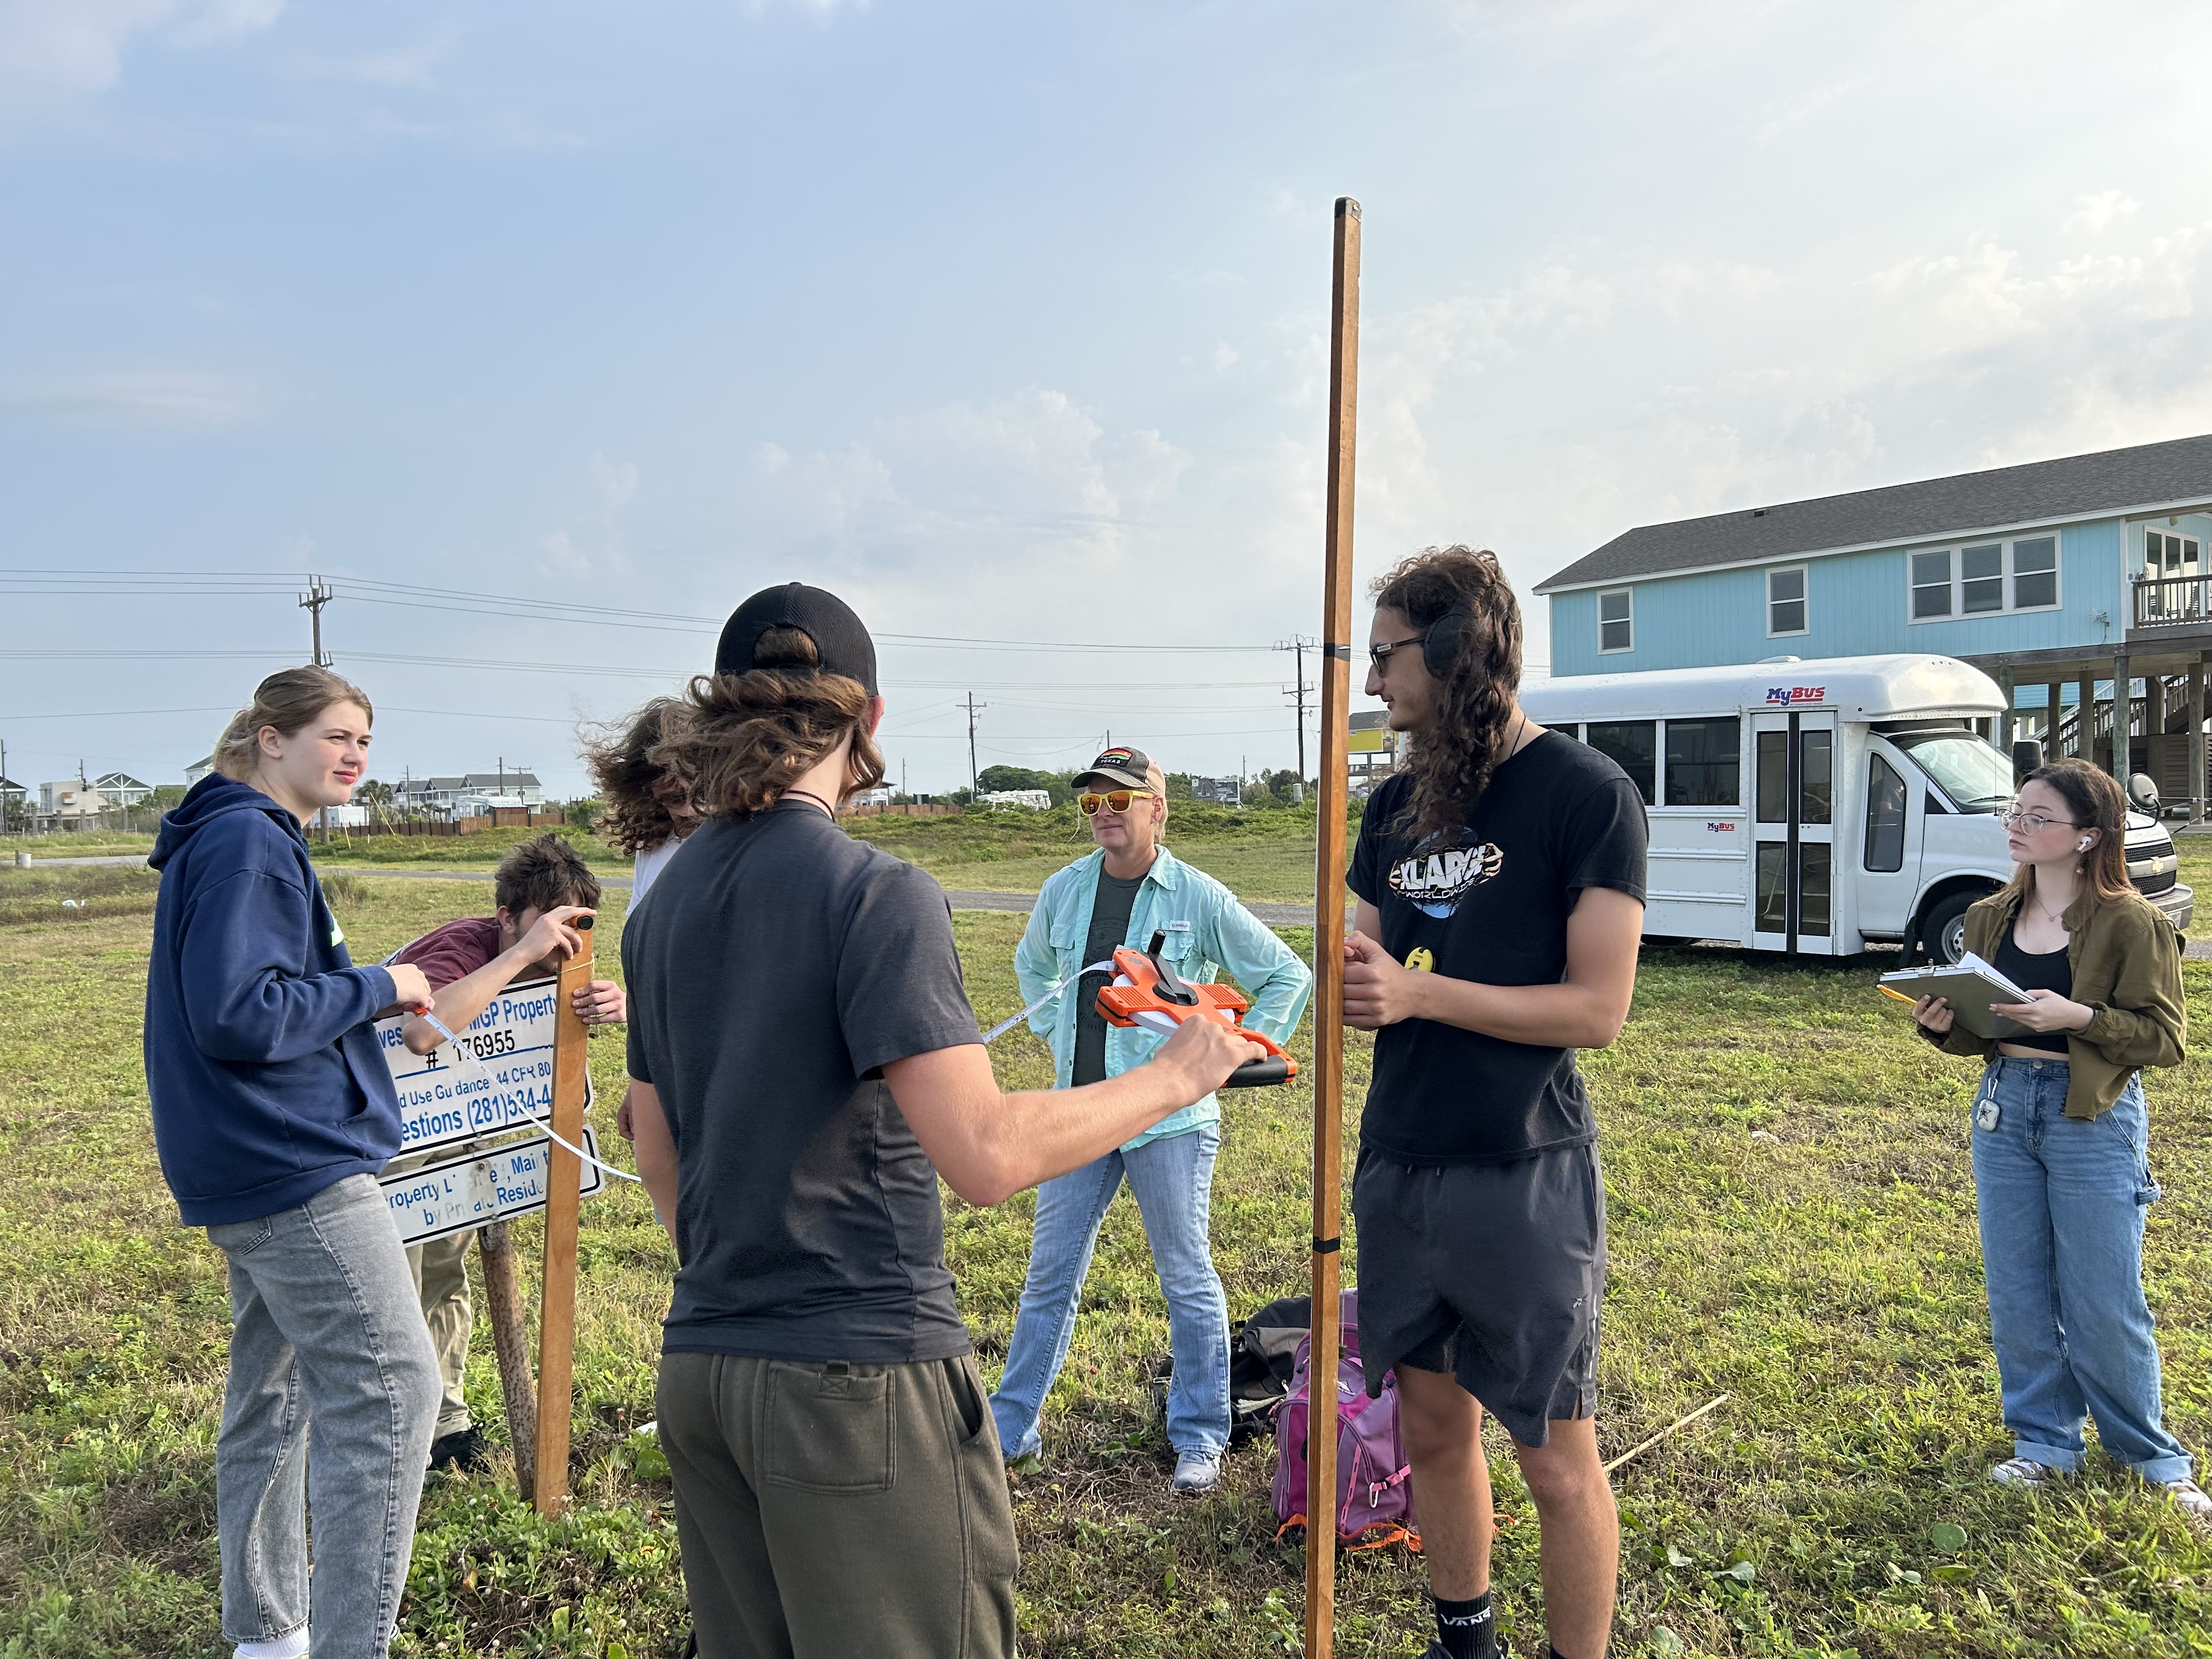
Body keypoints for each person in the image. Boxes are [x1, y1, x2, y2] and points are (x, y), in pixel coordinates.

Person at [619, 583, 1263, 1659]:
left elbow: (652, 1145)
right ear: (869, 721)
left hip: (702, 1368)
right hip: (854, 1377)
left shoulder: (663, 906)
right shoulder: (875, 892)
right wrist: (1175, 1076)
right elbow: (986, 1153)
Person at [1340, 548, 1646, 1659]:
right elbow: (1361, 959)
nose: (1373, 680)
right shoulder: (1392, 807)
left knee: (1555, 1454)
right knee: (1429, 1427)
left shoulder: (1584, 795)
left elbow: (1595, 1008)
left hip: (1522, 1171)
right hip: (1400, 1161)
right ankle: (1463, 1641)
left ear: (1454, 648)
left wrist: (1424, 992)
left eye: (1386, 654)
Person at [144, 667, 443, 1659]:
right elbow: (239, 1013)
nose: (355, 753)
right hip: (293, 1160)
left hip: (245, 1155)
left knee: (271, 1395)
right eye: (336, 734)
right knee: (395, 1386)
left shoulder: (225, 833)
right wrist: (379, 984)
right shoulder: (246, 841)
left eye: (366, 738)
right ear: (271, 738)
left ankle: (268, 1633)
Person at [991, 746, 1311, 1493]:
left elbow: (1285, 974)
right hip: (1082, 1113)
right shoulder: (1063, 891)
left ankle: (1199, 1433)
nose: (1103, 812)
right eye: (1091, 802)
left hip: (1171, 1123)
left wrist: (1234, 1053)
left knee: (1185, 1277)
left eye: (1121, 800)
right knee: (1049, 1276)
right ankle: (1010, 1430)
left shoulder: (1196, 896)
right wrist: (1054, 1037)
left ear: (1157, 810)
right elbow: (1031, 968)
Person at [1911, 758, 2207, 1527]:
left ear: (2087, 838)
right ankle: (2044, 1443)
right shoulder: (1987, 917)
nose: (2018, 824)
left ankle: (2151, 1458)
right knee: (2018, 1291)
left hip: (2091, 1119)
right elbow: (1984, 1034)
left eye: (2038, 816)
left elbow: (2166, 1039)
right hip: (2004, 1110)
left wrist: (2078, 1019)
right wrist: (1944, 1025)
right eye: (2017, 811)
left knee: (2105, 1297)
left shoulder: (2133, 923)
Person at [381, 832, 627, 1472]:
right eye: (546, 929)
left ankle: (447, 1427)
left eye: (572, 929)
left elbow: (540, 1028)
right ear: (507, 919)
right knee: (397, 1284)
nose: (562, 947)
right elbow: (421, 1033)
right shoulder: (458, 950)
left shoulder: (550, 960)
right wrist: (524, 955)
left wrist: (610, 1004)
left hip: (459, 1124)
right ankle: (395, 1432)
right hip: (388, 1130)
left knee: (443, 1274)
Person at [584, 695, 702, 911]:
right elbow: (637, 926)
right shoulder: (653, 845)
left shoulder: (734, 839)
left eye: (688, 767)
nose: (677, 782)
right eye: (662, 770)